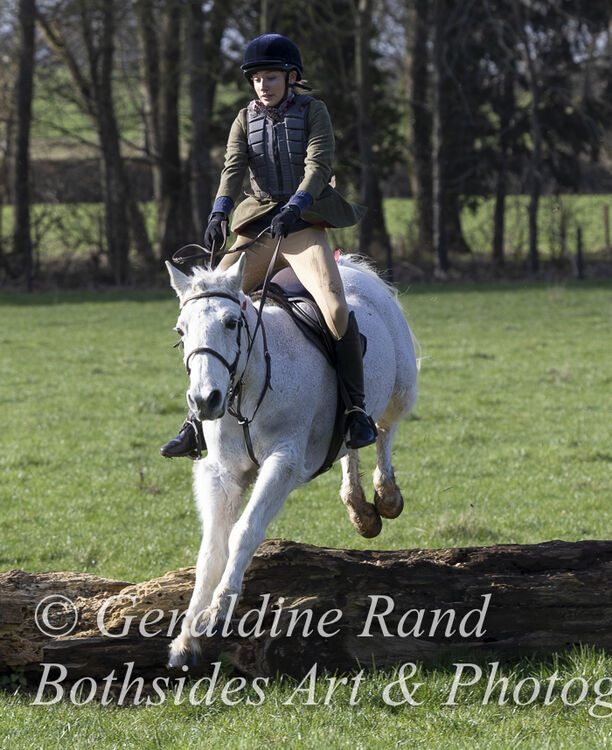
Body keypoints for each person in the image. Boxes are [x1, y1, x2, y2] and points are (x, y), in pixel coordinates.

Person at [160, 33, 377, 459]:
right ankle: (194, 423)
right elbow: (232, 168)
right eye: (257, 78)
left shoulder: (314, 111)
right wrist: (219, 213)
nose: (263, 85)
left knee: (336, 310)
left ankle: (356, 411)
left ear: (291, 77)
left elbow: (318, 165)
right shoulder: (244, 118)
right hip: (259, 226)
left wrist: (296, 206)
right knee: (207, 305)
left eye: (271, 77)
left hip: (303, 226)